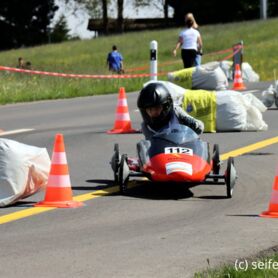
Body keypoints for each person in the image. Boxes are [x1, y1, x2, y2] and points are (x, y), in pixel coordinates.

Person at [137, 83, 204, 140]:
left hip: (183, 148)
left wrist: (194, 125)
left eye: (156, 108)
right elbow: (150, 149)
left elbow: (200, 127)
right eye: (149, 110)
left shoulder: (176, 112)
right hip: (162, 152)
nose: (153, 112)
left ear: (165, 107)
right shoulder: (146, 127)